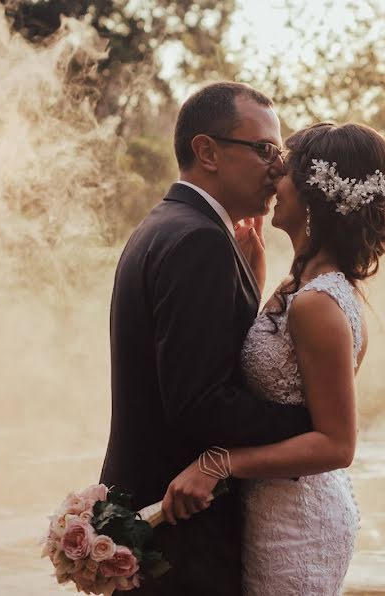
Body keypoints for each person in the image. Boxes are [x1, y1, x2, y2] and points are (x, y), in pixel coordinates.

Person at [163, 121, 385, 594]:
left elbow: (338, 445)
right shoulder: (298, 285)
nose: (275, 179)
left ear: (315, 194)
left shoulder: (318, 303)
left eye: (287, 171)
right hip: (273, 504)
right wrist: (250, 280)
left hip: (298, 523)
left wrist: (219, 463)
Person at [99, 81, 313, 596]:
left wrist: (247, 285)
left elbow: (195, 361)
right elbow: (199, 403)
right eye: (264, 149)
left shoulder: (162, 225)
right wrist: (311, 422)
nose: (277, 167)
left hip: (147, 512)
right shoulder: (199, 242)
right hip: (181, 535)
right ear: (207, 151)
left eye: (279, 152)